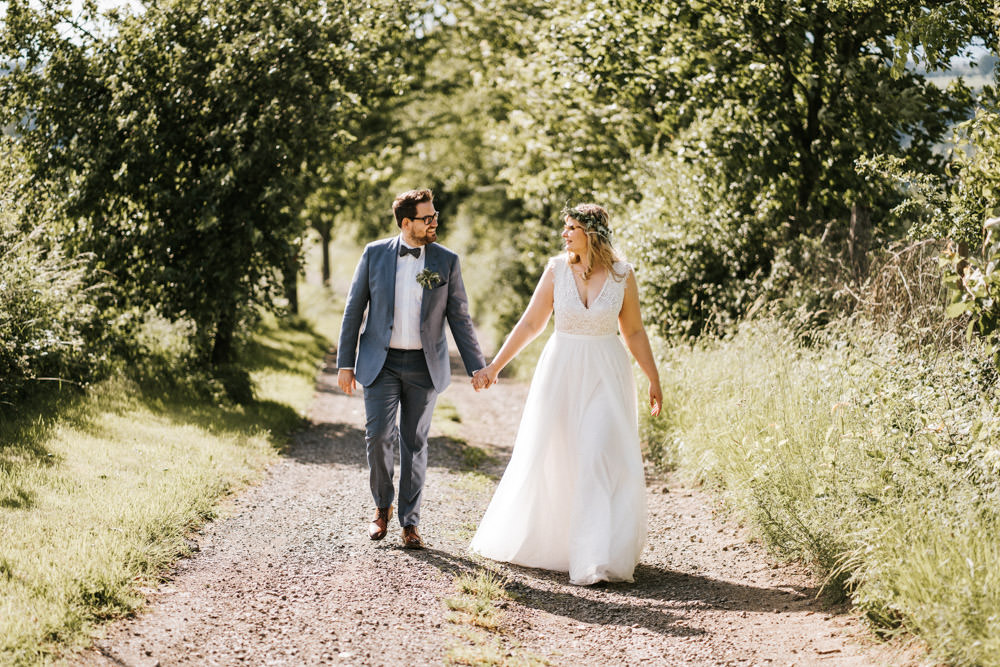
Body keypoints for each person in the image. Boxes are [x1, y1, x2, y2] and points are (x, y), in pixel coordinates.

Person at [469, 203, 662, 585]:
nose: (564, 233)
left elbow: (635, 332)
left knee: (598, 453)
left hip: (607, 373)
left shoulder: (624, 275)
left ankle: (596, 558)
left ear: (592, 233)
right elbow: (531, 323)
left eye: (572, 227)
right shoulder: (556, 270)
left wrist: (654, 378)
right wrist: (495, 367)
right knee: (557, 453)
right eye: (565, 227)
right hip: (561, 371)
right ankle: (562, 544)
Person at [337, 188, 486, 549]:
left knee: (415, 443)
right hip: (381, 364)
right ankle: (381, 507)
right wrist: (346, 362)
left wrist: (477, 366)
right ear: (407, 223)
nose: (435, 221)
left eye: (435, 215)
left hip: (424, 365)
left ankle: (410, 522)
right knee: (378, 439)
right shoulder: (374, 254)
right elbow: (354, 309)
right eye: (427, 217)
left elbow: (460, 317)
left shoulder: (446, 260)